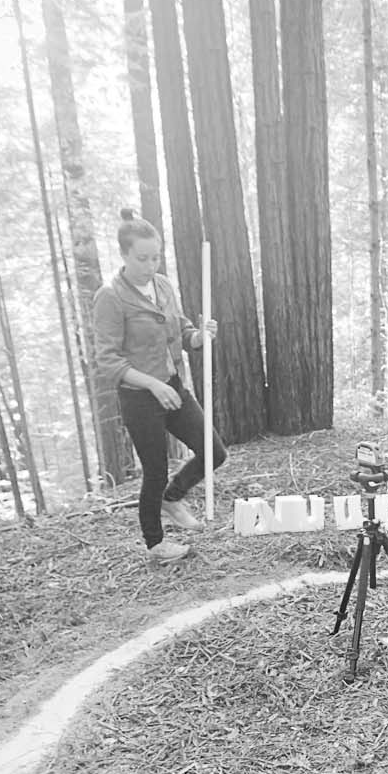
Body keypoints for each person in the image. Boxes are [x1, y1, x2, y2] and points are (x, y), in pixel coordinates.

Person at [93, 210, 225, 563]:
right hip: (140, 397)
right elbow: (107, 360)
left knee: (214, 452)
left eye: (156, 257)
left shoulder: (163, 285)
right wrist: (151, 384)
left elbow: (179, 329)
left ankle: (173, 497)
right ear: (124, 254)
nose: (150, 265)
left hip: (172, 385)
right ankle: (156, 544)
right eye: (142, 258)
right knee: (155, 470)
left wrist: (198, 337)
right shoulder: (110, 297)